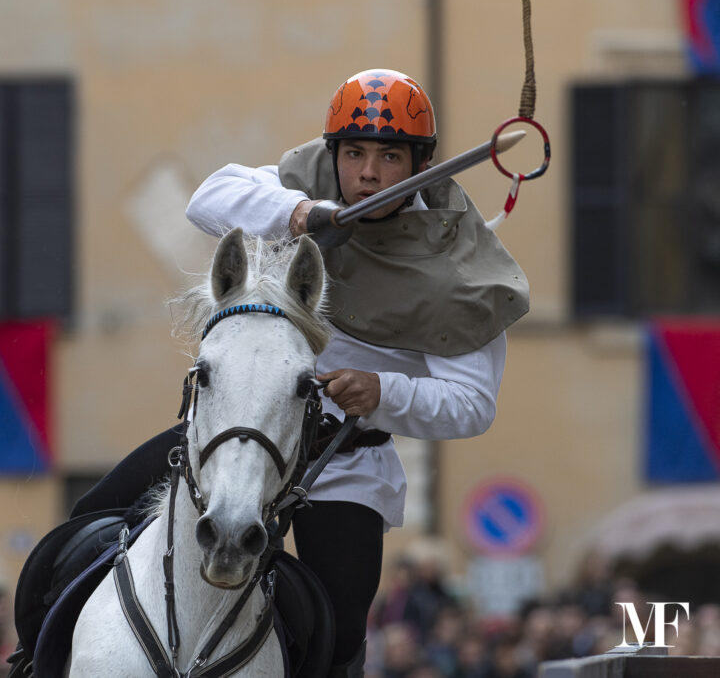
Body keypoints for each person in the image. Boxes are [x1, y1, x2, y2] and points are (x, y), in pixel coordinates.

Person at [71, 69, 529, 677]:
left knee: (336, 637)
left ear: (420, 161)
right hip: (234, 440)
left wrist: (382, 391)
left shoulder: (463, 272)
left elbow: (474, 404)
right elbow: (208, 198)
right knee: (79, 537)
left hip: (338, 463)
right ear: (333, 153)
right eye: (354, 153)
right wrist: (300, 213)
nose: (368, 173)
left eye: (390, 156)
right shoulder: (304, 182)